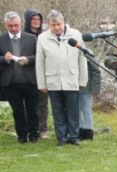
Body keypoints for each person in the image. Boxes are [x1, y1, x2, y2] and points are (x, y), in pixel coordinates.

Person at [35, 10, 87, 146]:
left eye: (59, 24)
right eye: (53, 25)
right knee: (57, 111)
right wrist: (42, 84)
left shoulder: (75, 35)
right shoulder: (42, 38)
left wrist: (83, 80)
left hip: (71, 79)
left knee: (73, 110)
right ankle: (62, 138)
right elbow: (39, 63)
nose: (57, 27)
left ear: (63, 22)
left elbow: (82, 58)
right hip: (53, 81)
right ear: (48, 25)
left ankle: (74, 137)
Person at [0, 11, 38, 143]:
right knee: (17, 111)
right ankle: (22, 136)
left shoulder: (31, 38)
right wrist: (4, 59)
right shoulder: (1, 39)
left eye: (16, 25)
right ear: (6, 25)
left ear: (21, 24)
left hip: (30, 80)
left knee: (32, 110)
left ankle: (34, 135)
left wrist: (28, 60)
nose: (14, 28)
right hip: (11, 82)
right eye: (10, 26)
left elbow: (39, 57)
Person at [23, 9, 48, 139]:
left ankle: (43, 129)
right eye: (33, 19)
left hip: (43, 74)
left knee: (43, 103)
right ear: (28, 21)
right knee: (29, 104)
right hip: (28, 75)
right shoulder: (23, 36)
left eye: (38, 19)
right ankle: (30, 128)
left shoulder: (45, 35)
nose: (36, 22)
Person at [78, 49, 101, 141]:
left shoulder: (87, 52)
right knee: (75, 110)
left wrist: (95, 88)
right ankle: (79, 130)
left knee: (86, 109)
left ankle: (88, 131)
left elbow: (96, 71)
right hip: (72, 86)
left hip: (86, 87)